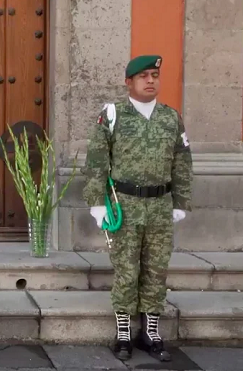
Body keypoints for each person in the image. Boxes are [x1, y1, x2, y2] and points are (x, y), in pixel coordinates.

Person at [82, 55, 193, 362]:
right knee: (127, 270)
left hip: (159, 205)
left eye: (155, 75)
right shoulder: (113, 114)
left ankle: (151, 332)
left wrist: (180, 201)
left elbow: (182, 161)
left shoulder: (171, 118)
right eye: (143, 76)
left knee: (156, 270)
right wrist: (96, 202)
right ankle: (123, 332)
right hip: (125, 204)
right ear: (128, 82)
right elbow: (96, 160)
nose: (150, 80)